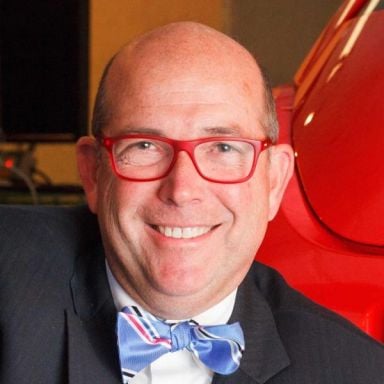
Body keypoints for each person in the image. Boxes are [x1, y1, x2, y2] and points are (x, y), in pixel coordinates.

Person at [0, 22, 383, 384]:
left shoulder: (355, 370)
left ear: (274, 182)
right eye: (146, 146)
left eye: (223, 147)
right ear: (92, 173)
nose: (182, 190)